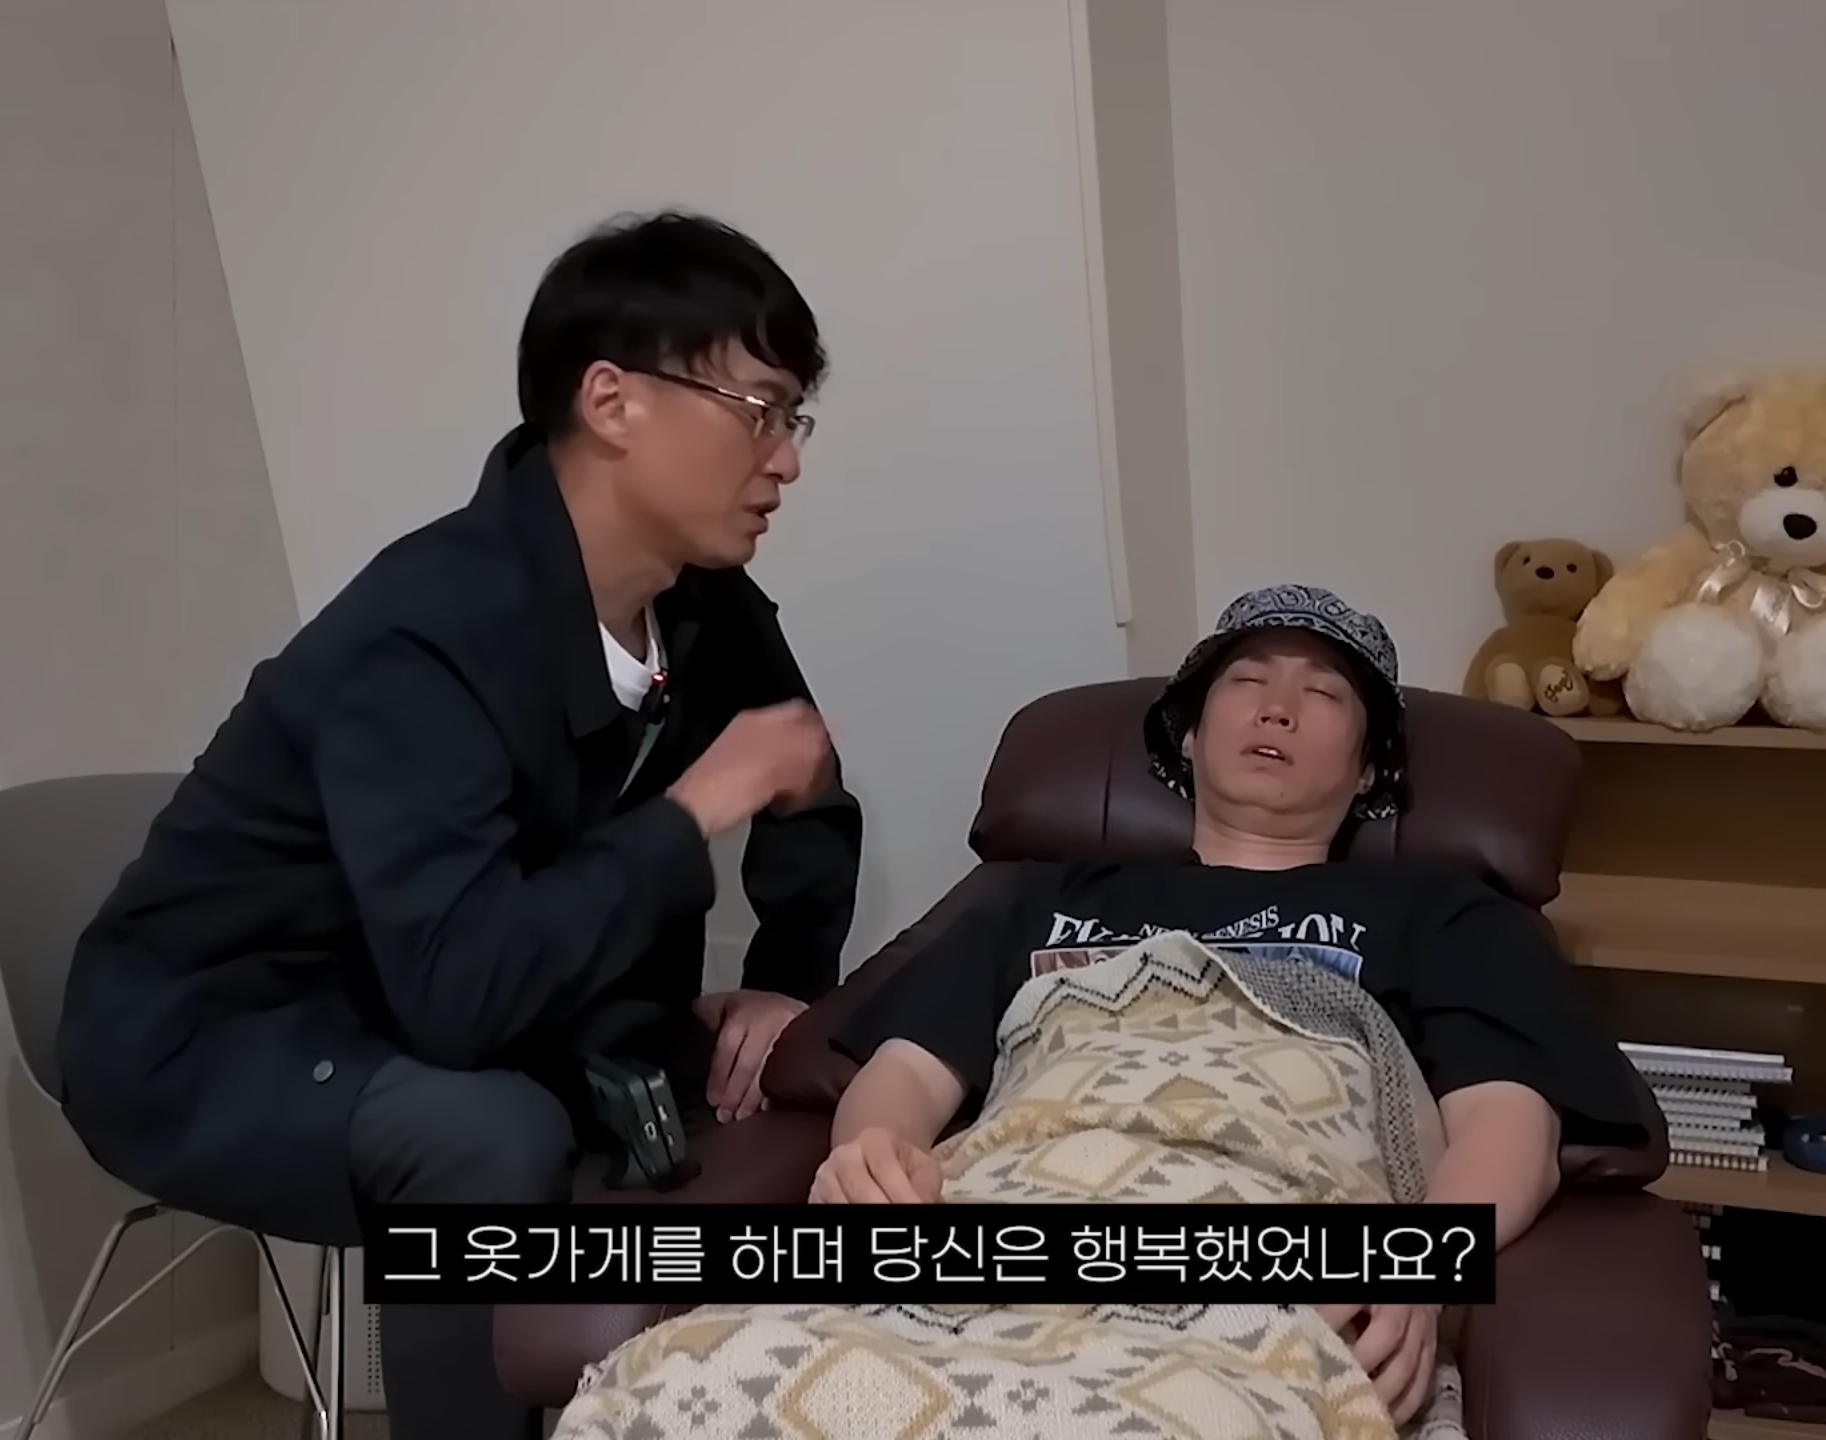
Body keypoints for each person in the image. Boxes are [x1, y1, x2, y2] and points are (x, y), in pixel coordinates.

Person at [56, 211, 863, 1440]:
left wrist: (783, 984)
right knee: (484, 1137)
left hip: (435, 990)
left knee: (790, 1066)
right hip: (219, 1027)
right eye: (758, 410)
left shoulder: (702, 604)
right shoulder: (422, 632)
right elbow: (461, 998)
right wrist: (699, 804)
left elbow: (803, 778)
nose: (786, 460)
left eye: (794, 417)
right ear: (612, 400)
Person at [810, 583, 1648, 1427]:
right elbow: (906, 1073)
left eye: (1323, 694)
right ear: (1190, 733)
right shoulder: (1037, 897)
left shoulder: (1444, 914)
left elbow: (1510, 1123)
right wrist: (870, 1153)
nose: (1278, 708)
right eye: (1247, 681)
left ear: (1368, 767)